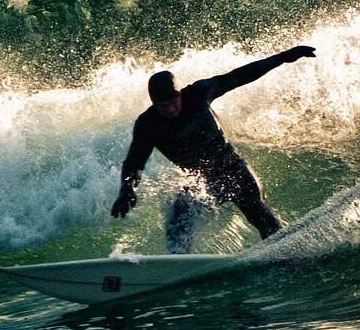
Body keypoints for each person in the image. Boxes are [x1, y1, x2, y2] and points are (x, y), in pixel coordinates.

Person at [111, 45, 316, 253]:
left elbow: (239, 76)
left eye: (174, 102)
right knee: (178, 220)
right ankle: (177, 263)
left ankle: (290, 257)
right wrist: (126, 189)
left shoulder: (199, 93)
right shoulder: (148, 124)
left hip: (234, 171)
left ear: (180, 94)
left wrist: (282, 57)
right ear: (154, 103)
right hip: (202, 182)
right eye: (164, 106)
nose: (171, 109)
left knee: (260, 216)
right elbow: (134, 163)